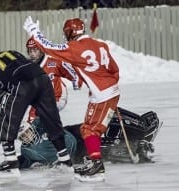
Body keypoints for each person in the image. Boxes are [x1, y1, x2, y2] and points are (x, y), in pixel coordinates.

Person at [24, 16, 120, 182]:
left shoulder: (76, 48)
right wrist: (110, 88)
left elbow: (49, 47)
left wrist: (34, 31)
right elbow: (114, 70)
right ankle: (94, 162)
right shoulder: (101, 45)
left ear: (69, 32)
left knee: (90, 130)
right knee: (87, 129)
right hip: (105, 93)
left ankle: (97, 166)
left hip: (103, 94)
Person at [0, 46, 73, 178]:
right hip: (42, 77)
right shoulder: (9, 51)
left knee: (3, 121)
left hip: (23, 84)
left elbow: (1, 97)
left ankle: (11, 163)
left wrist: (3, 101)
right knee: (50, 119)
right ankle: (65, 161)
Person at [17, 107, 161, 169]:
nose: (27, 136)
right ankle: (134, 147)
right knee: (105, 148)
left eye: (27, 132)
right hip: (76, 152)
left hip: (71, 133)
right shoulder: (27, 150)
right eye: (23, 136)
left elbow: (46, 114)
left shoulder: (38, 125)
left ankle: (139, 124)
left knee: (101, 121)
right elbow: (22, 162)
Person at [25, 37, 82, 123]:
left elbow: (73, 72)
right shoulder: (27, 67)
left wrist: (79, 81)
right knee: (33, 118)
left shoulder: (53, 62)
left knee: (38, 113)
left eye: (35, 50)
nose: (32, 54)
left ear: (41, 50)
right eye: (30, 51)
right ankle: (42, 132)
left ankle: (52, 132)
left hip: (58, 96)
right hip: (42, 99)